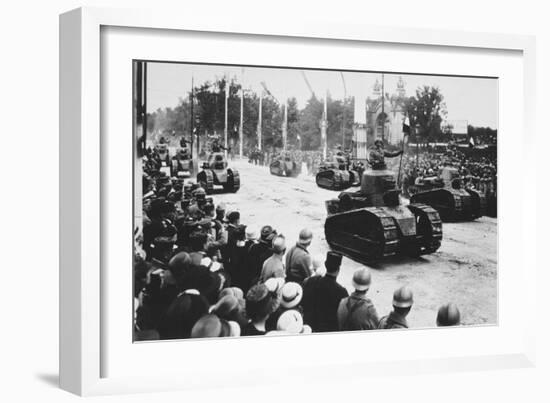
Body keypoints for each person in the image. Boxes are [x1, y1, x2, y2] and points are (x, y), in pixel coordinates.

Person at [301, 252, 349, 332]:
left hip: (308, 326)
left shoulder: (311, 281)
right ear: (338, 269)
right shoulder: (341, 292)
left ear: (325, 265)